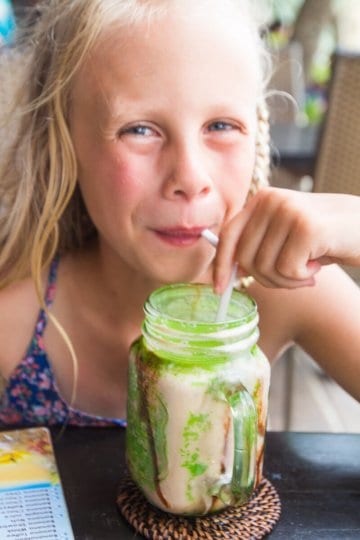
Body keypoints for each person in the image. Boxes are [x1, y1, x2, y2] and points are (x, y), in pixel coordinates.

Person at [0, 0, 359, 427]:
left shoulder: (286, 289)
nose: (190, 177)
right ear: (63, 142)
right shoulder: (14, 316)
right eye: (139, 129)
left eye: (221, 125)